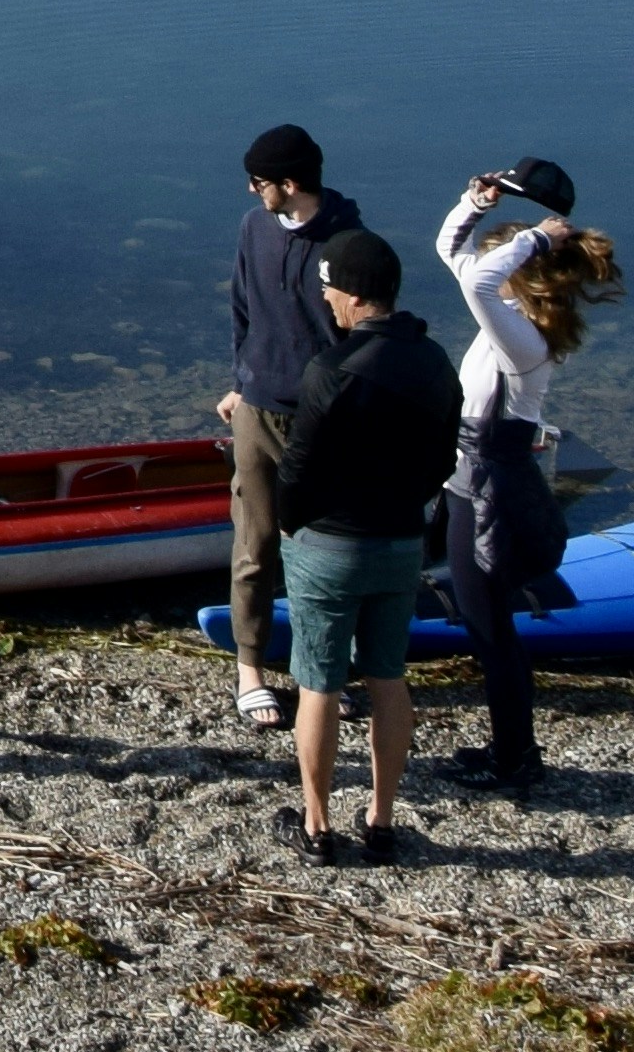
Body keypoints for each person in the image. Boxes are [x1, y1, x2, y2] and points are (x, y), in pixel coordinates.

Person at [434, 159, 625, 799]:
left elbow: (478, 283)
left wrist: (539, 235)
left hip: (487, 498)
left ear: (520, 275)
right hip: (471, 489)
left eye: (506, 261)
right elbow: (453, 255)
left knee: (490, 631)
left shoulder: (523, 341)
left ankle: (514, 756)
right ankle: (513, 748)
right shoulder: (514, 321)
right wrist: (476, 204)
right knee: (488, 625)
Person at [277, 225, 462, 861]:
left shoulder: (331, 369)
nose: (325, 299)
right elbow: (443, 455)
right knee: (387, 678)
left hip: (330, 545)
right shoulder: (434, 361)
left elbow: (298, 468)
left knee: (319, 684)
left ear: (355, 296)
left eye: (329, 288)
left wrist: (289, 522)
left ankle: (318, 826)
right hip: (401, 543)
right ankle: (381, 822)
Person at [212, 122, 362, 731]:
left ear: (290, 184)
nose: (252, 192)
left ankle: (321, 672)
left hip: (323, 419)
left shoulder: (350, 243)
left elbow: (359, 336)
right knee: (255, 544)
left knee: (322, 551)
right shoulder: (254, 228)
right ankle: (250, 670)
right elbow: (243, 308)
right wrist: (241, 380)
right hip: (256, 408)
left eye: (259, 182)